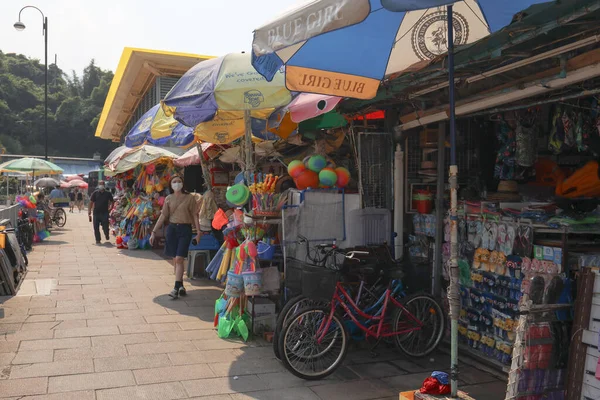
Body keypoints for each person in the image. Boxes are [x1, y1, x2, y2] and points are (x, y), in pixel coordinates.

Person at [150, 175, 201, 299]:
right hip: (172, 229)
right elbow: (163, 216)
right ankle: (181, 285)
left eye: (179, 181)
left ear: (183, 184)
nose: (177, 183)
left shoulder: (190, 198)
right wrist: (154, 231)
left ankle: (175, 288)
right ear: (170, 185)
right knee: (176, 259)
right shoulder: (168, 198)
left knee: (179, 258)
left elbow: (195, 215)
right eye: (174, 182)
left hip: (185, 229)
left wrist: (199, 233)